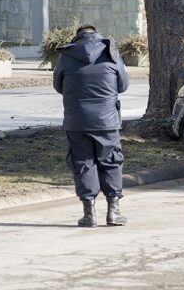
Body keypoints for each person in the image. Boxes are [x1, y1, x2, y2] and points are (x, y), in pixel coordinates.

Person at [53, 25, 130, 227]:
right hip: (107, 121)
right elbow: (123, 85)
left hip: (76, 121)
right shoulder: (110, 52)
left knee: (83, 163)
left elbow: (58, 86)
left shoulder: (67, 55)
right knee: (111, 162)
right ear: (97, 35)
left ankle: (89, 215)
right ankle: (114, 212)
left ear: (77, 37)